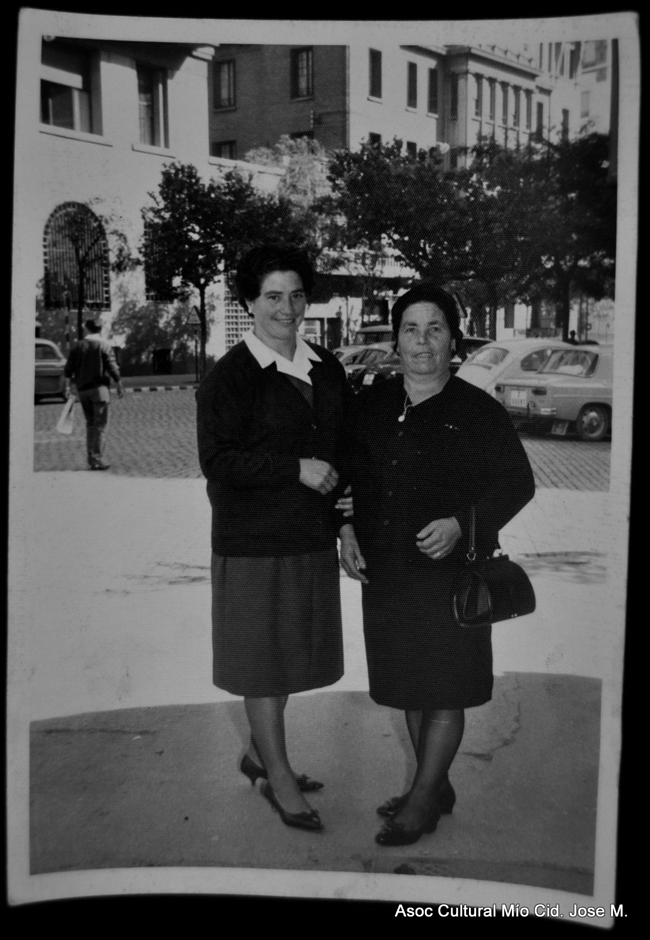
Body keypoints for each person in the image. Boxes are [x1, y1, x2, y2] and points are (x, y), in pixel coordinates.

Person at [339, 283, 535, 847]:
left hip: (450, 576)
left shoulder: (477, 410)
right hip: (389, 573)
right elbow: (349, 475)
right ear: (395, 338)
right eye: (410, 329)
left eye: (435, 329)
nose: (422, 341)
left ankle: (423, 798)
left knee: (445, 686)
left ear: (454, 339)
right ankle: (435, 783)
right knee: (411, 685)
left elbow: (516, 485)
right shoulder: (373, 405)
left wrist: (460, 523)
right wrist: (345, 529)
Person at [196, 244, 352, 833]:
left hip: (307, 537)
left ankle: (260, 754)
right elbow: (219, 461)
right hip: (252, 542)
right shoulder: (229, 378)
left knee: (286, 660)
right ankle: (278, 777)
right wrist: (294, 467)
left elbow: (340, 457)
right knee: (263, 665)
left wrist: (345, 525)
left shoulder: (326, 368)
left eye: (296, 295)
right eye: (272, 296)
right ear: (247, 303)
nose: (286, 308)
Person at [64, 318, 124, 470]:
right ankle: (97, 458)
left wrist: (67, 387)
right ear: (100, 330)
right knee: (101, 425)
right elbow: (112, 367)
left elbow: (68, 369)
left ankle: (91, 457)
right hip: (99, 390)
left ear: (86, 329)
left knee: (90, 424)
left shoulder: (77, 346)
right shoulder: (104, 346)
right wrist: (119, 384)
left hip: (83, 391)